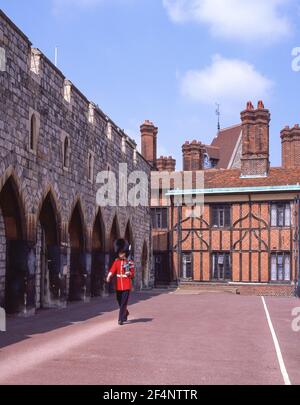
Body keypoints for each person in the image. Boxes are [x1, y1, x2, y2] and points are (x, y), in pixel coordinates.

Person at [106, 239, 135, 325]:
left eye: (122, 253)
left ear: (125, 252)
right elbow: (112, 270)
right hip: (118, 285)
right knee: (119, 301)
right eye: (120, 253)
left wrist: (129, 273)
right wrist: (109, 276)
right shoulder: (117, 262)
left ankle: (120, 319)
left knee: (123, 303)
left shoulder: (129, 262)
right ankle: (125, 313)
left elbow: (132, 274)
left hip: (126, 285)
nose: (121, 254)